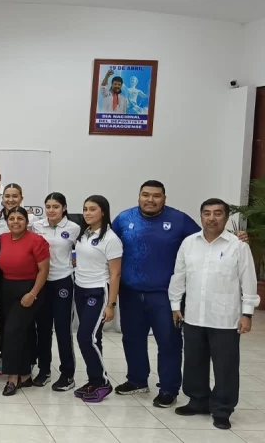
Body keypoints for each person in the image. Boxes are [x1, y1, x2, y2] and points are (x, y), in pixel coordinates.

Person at [169, 198, 260, 430]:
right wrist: (175, 305)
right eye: (207, 213)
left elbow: (248, 282)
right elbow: (179, 277)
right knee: (193, 362)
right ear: (201, 216)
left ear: (226, 217)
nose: (212, 218)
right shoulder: (189, 244)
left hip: (226, 319)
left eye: (217, 213)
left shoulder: (238, 246)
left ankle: (222, 409)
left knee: (225, 367)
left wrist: (247, 314)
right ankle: (198, 401)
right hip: (193, 316)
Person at [110, 180, 202, 407]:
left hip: (166, 296)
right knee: (132, 338)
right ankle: (137, 379)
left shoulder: (179, 220)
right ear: (138, 196)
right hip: (130, 293)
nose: (150, 199)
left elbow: (203, 242)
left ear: (164, 198)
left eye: (156, 196)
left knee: (168, 341)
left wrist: (235, 239)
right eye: (146, 195)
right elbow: (107, 244)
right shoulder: (124, 219)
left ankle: (169, 388)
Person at [73, 195, 122, 403]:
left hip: (97, 292)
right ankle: (94, 380)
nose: (87, 213)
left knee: (86, 337)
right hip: (80, 289)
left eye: (93, 209)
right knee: (94, 338)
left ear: (103, 212)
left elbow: (115, 274)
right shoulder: (84, 234)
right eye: (85, 209)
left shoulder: (111, 239)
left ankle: (103, 381)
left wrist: (111, 305)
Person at [0, 207, 50, 396]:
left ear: (26, 222)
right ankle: (26, 375)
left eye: (20, 218)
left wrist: (33, 293)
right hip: (7, 288)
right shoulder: (2, 238)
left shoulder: (37, 241)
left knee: (12, 332)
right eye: (12, 218)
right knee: (23, 332)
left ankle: (13, 378)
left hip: (29, 290)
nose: (15, 222)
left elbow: (43, 270)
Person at [31, 192, 81, 390]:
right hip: (42, 282)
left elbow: (82, 251)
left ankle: (67, 374)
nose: (51, 210)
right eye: (48, 206)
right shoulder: (37, 226)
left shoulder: (73, 228)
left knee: (62, 329)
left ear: (64, 208)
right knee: (42, 329)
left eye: (56, 207)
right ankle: (44, 370)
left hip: (63, 282)